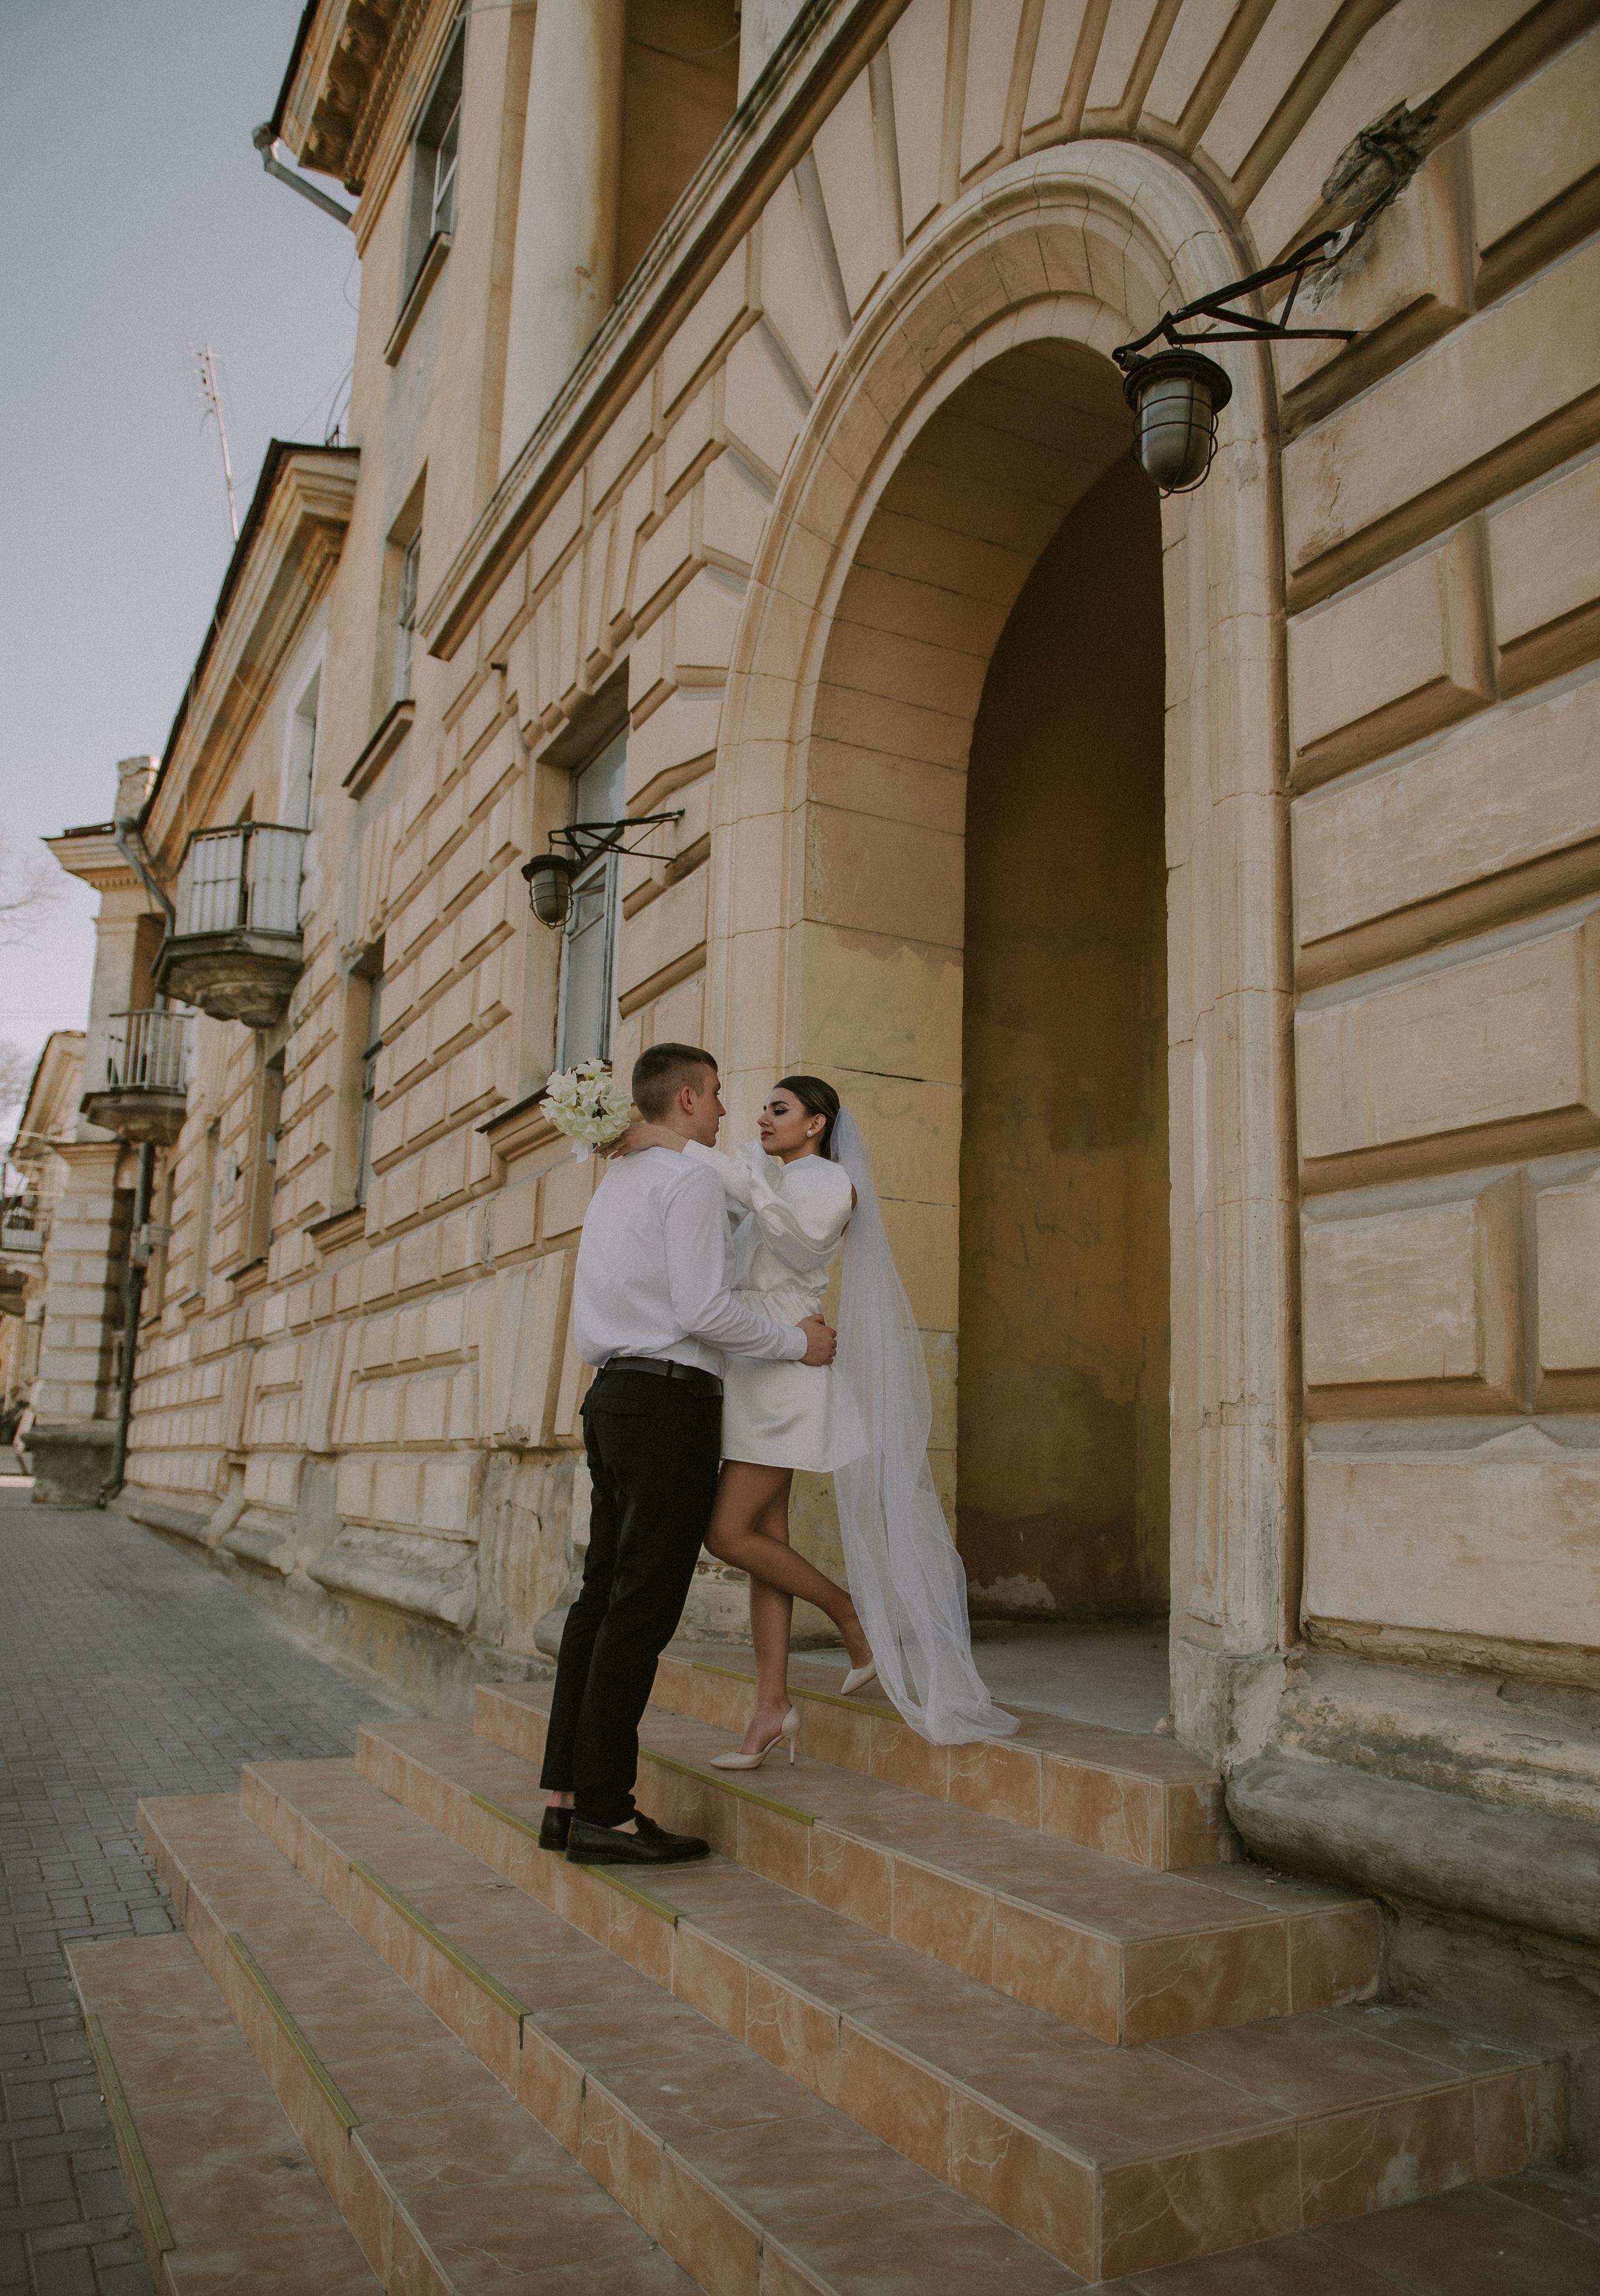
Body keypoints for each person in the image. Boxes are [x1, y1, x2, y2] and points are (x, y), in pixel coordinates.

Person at [619, 1076, 1018, 1760]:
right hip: (750, 1363)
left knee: (727, 1531)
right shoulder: (768, 1179)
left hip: (785, 1372)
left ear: (815, 1123)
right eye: (762, 1107)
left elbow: (803, 1247)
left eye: (779, 1109)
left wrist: (720, 1164)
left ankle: (850, 1612)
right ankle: (770, 1707)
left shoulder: (828, 1180)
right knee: (763, 1543)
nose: (761, 1118)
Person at [541, 1043, 837, 1867]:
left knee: (599, 1598)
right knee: (639, 1608)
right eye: (714, 1095)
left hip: (609, 1395)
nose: (721, 1110)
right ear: (689, 1098)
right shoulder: (690, 1178)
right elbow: (704, 1307)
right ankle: (607, 1810)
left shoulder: (621, 1180)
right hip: (667, 1401)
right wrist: (793, 1342)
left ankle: (566, 1798)